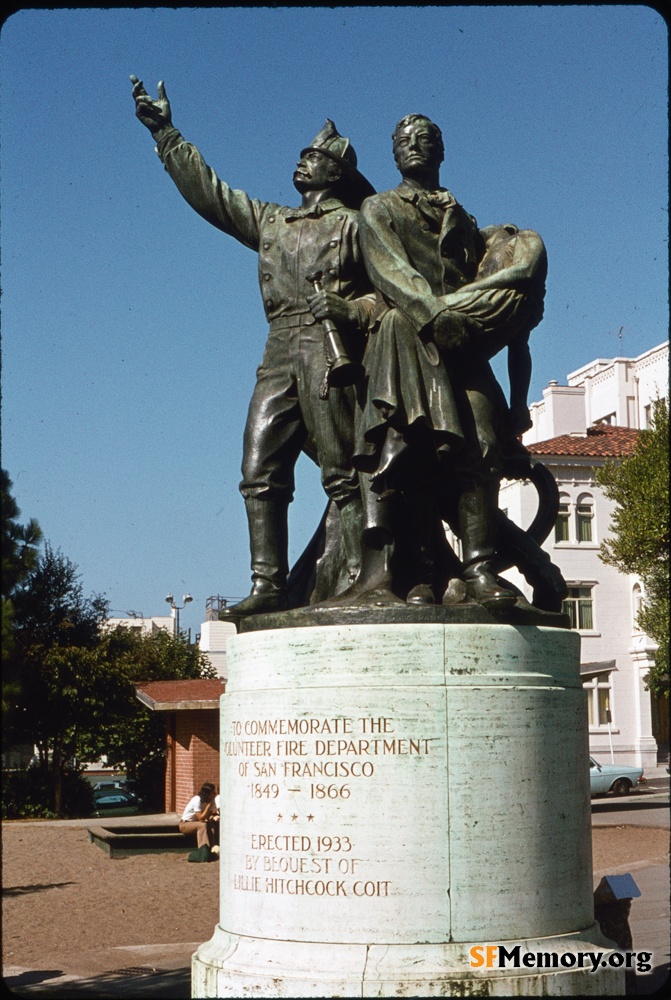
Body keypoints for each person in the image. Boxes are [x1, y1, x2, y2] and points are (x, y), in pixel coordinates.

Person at [131, 77, 376, 616]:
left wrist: (352, 310)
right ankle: (269, 584)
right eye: (303, 155)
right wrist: (167, 134)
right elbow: (212, 195)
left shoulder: (359, 227)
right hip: (279, 350)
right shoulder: (273, 221)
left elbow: (392, 295)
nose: (302, 162)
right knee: (259, 470)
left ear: (336, 172)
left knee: (340, 474)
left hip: (329, 351)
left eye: (313, 157)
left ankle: (361, 575)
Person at [355, 113, 547, 607]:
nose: (415, 146)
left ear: (441, 151)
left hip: (463, 344)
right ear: (394, 153)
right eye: (404, 141)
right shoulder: (378, 209)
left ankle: (479, 569)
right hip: (411, 339)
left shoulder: (461, 215)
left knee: (483, 446)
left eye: (426, 139)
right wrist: (436, 314)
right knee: (418, 452)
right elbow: (391, 273)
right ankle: (420, 570)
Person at [180, 781, 219, 852]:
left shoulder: (211, 801)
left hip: (196, 822)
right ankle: (203, 850)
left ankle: (213, 848)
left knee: (210, 824)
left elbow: (207, 817)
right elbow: (201, 818)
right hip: (185, 824)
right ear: (208, 794)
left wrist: (213, 817)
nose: (215, 794)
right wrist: (208, 806)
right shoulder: (197, 800)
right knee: (202, 825)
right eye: (213, 792)